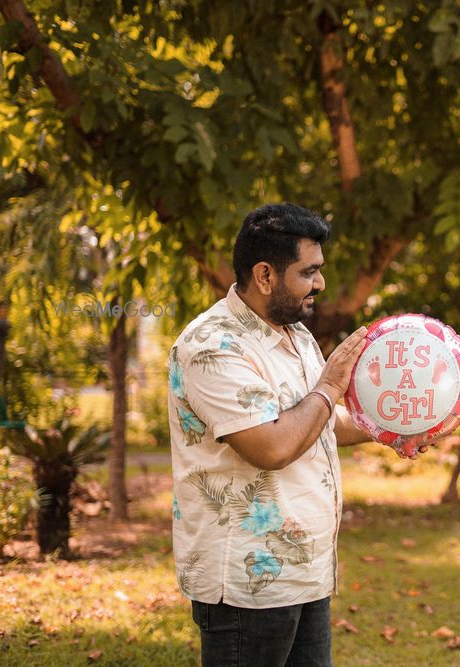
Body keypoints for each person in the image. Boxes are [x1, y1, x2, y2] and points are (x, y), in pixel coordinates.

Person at [167, 202, 417, 666]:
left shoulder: (295, 334)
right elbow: (274, 445)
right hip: (248, 585)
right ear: (265, 275)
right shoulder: (211, 345)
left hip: (308, 571)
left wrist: (389, 428)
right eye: (309, 272)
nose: (320, 283)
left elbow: (315, 423)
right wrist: (329, 386)